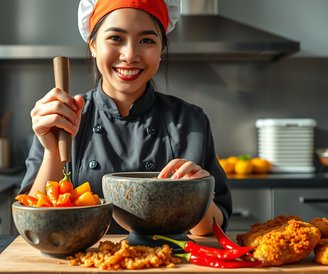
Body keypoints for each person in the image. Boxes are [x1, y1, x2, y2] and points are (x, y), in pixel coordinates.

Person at [19, 0, 232, 235]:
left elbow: (213, 230)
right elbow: (35, 226)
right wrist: (52, 151)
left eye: (147, 40)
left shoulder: (190, 121)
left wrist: (196, 193)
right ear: (92, 44)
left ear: (161, 49)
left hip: (167, 267)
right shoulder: (63, 116)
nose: (130, 55)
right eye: (115, 38)